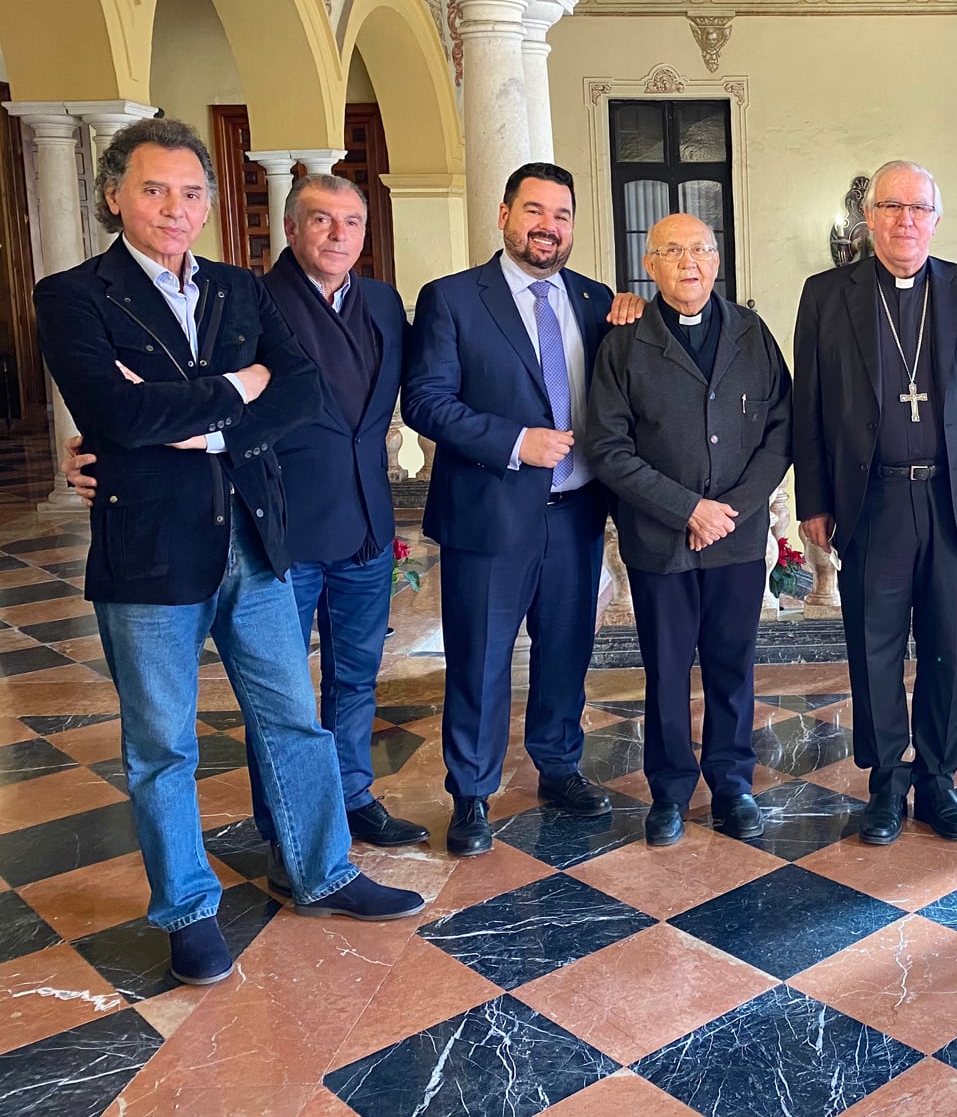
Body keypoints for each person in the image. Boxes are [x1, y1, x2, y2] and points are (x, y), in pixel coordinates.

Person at [35, 118, 421, 987]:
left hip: (254, 541)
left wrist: (199, 427)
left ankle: (325, 872)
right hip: (149, 557)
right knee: (162, 745)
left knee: (293, 718)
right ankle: (187, 912)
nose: (177, 209)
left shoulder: (239, 293)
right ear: (114, 196)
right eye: (155, 190)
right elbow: (116, 417)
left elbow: (304, 393)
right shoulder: (72, 296)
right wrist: (234, 392)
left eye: (191, 192)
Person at [402, 161, 640, 857]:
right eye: (534, 211)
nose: (548, 227)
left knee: (567, 649)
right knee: (479, 657)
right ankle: (471, 792)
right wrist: (514, 441)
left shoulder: (597, 301)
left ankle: (559, 768)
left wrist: (634, 312)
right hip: (488, 512)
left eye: (562, 215)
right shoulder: (452, 299)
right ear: (504, 215)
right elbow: (425, 401)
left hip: (575, 511)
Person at [793, 159, 957, 845]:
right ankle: (885, 785)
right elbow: (808, 407)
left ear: (936, 218)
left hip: (956, 502)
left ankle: (937, 780)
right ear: (869, 219)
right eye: (891, 207)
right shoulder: (825, 295)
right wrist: (813, 499)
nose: (905, 220)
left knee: (951, 649)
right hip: (874, 503)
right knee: (874, 650)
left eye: (918, 208)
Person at [588, 213, 792, 847]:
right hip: (660, 541)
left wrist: (728, 508)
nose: (690, 262)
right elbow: (609, 447)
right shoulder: (624, 343)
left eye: (701, 249)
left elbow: (781, 428)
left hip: (735, 537)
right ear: (650, 265)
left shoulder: (752, 334)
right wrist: (688, 510)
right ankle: (670, 791)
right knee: (667, 670)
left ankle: (732, 784)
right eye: (673, 252)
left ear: (717, 259)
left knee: (733, 666)